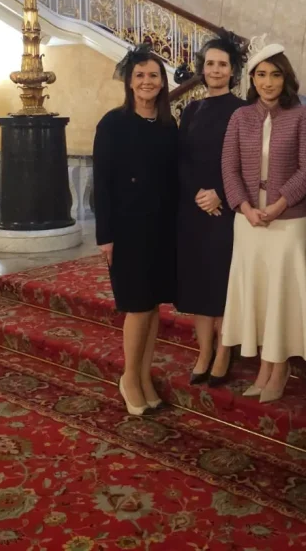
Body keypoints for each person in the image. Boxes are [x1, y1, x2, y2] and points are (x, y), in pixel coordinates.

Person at [220, 42, 306, 403]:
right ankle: (264, 364)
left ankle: (279, 367)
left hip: (288, 221)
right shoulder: (240, 117)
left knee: (283, 294)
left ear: (286, 77)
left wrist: (278, 206)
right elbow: (228, 168)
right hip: (248, 221)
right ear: (252, 78)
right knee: (260, 294)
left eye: (275, 74)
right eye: (261, 74)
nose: (268, 82)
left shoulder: (302, 116)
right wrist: (244, 207)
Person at [93, 43, 178, 416]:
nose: (146, 81)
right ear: (129, 82)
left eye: (153, 76)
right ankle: (128, 377)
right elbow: (102, 183)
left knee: (154, 306)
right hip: (127, 230)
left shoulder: (166, 124)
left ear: (162, 83)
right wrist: (105, 235)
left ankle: (144, 377)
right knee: (138, 307)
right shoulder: (112, 123)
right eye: (140, 75)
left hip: (162, 227)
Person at [175, 36, 246, 386]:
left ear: (233, 70)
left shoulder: (243, 110)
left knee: (221, 283)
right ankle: (203, 351)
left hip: (226, 209)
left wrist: (219, 193)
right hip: (194, 209)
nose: (215, 70)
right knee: (199, 284)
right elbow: (181, 160)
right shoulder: (190, 110)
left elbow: (246, 162)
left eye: (222, 64)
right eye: (210, 64)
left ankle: (223, 350)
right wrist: (197, 194)